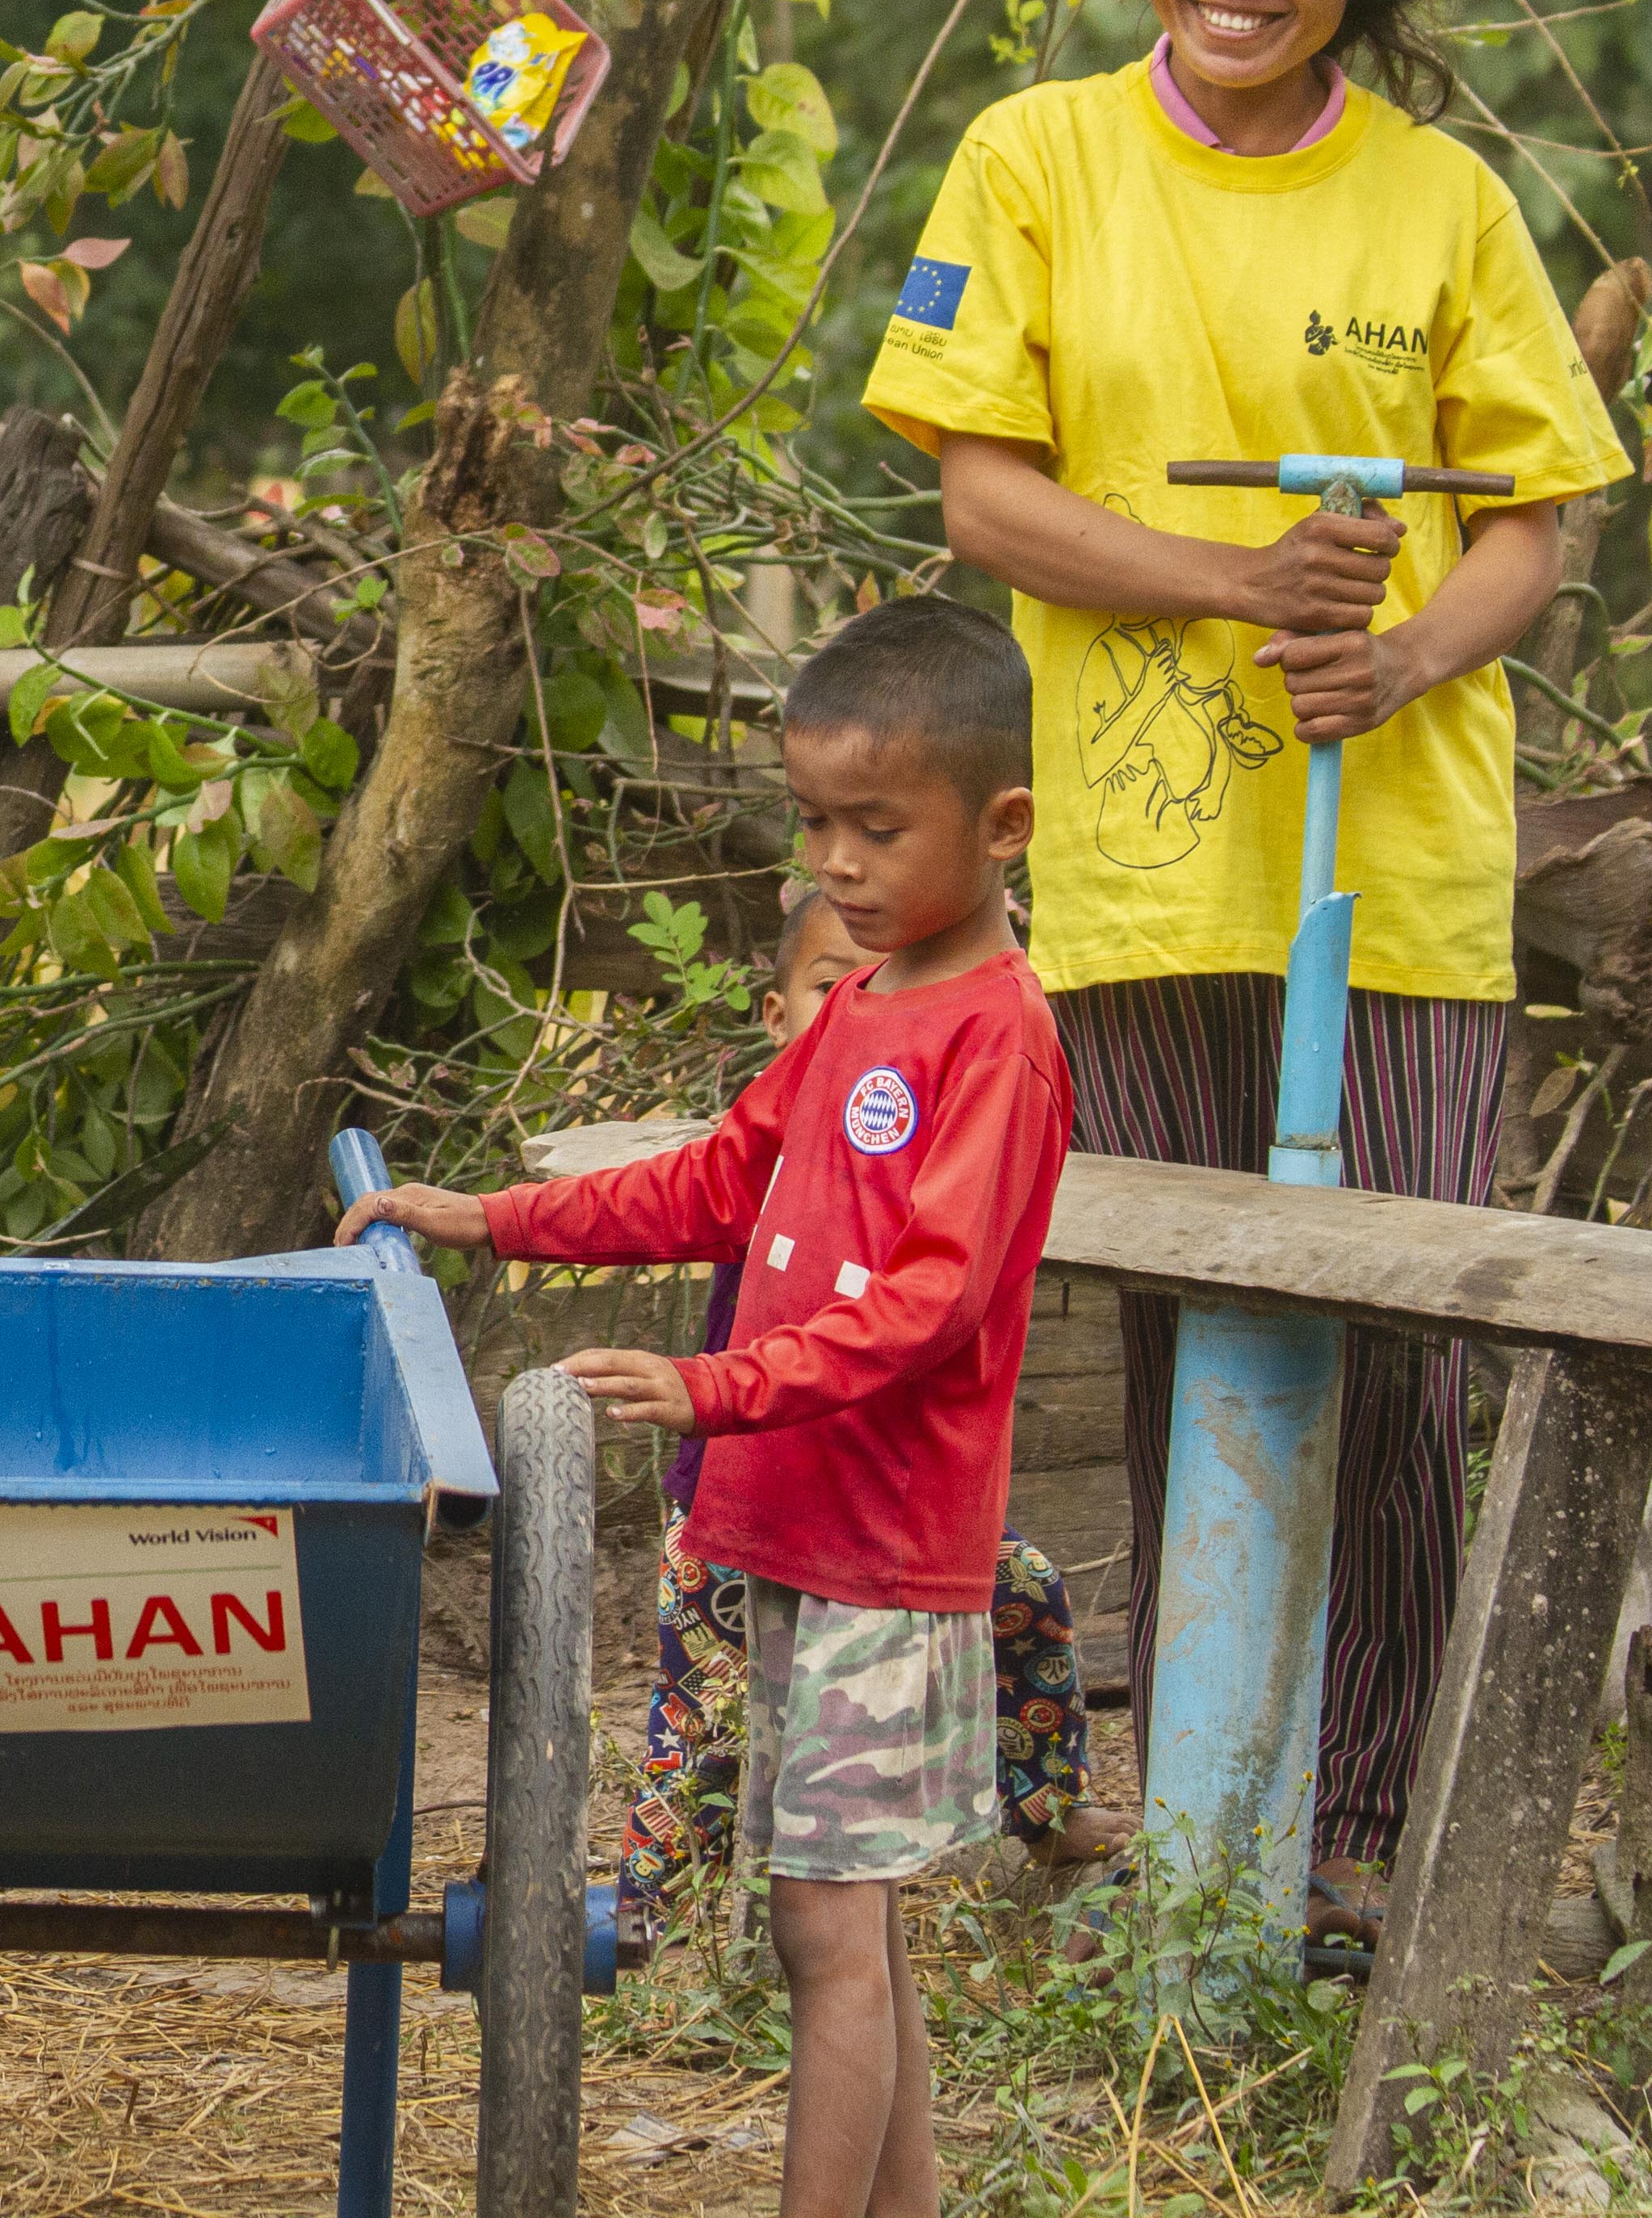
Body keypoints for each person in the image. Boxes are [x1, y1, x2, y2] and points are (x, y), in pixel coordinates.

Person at [857, 0, 1631, 1951]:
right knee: (1187, 1334)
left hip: (1390, 889)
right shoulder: (1037, 162)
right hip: (1132, 869)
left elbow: (1531, 528)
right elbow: (981, 490)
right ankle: (1198, 1808)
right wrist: (1234, 587)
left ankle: (1363, 1827)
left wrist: (1387, 664)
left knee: (1409, 1354)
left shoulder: (1444, 204)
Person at [346, 596, 1071, 2218]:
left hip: (886, 1542)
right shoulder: (865, 1003)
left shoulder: (997, 1036)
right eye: (815, 825)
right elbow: (722, 1179)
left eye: (877, 829)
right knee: (848, 1922)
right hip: (798, 1529)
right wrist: (494, 1217)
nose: (835, 866)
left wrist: (710, 1388)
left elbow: (928, 1304)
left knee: (825, 1928)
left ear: (1003, 823)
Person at [618, 887, 1130, 1943]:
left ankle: (1044, 1805)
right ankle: (648, 1911)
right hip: (736, 1509)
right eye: (831, 986)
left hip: (886, 1521)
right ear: (778, 1019)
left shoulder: (936, 1138)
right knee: (706, 1711)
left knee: (1022, 1588)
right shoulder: (779, 1143)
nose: (864, 1003)